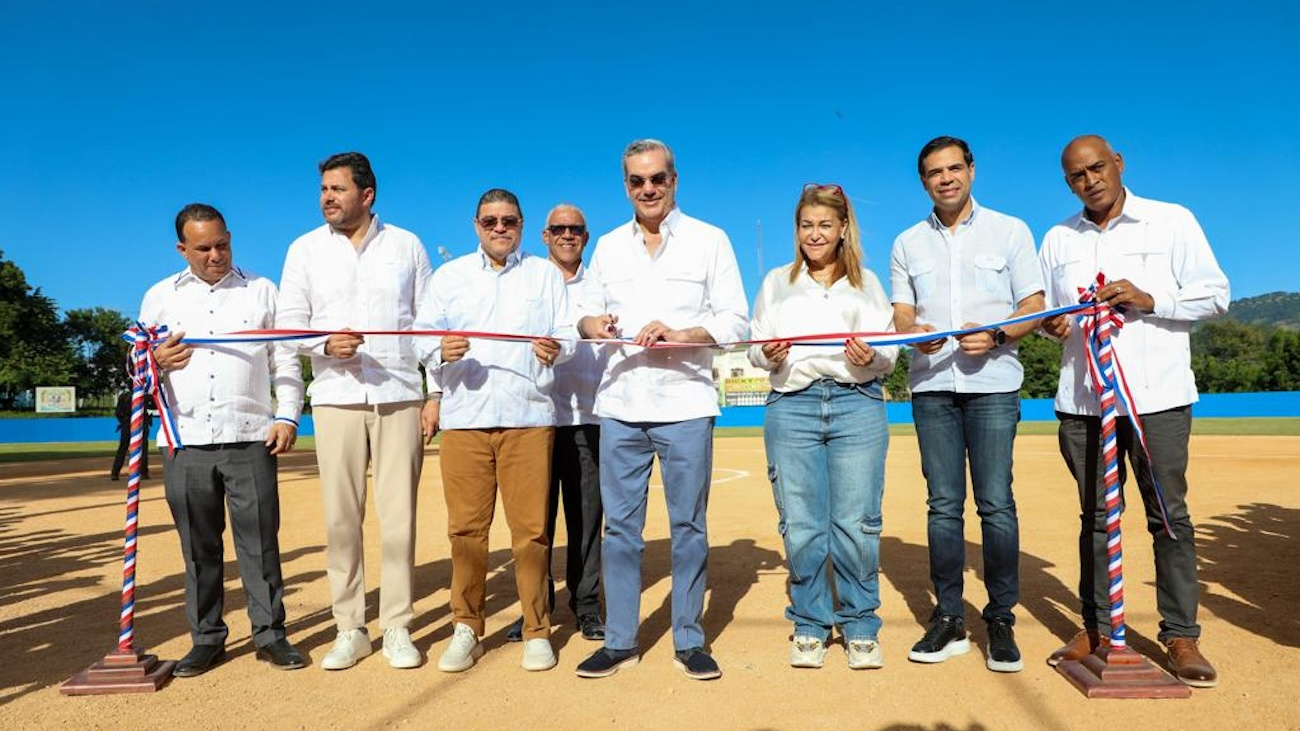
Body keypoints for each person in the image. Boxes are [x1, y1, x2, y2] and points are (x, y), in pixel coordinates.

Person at [1039, 135, 1229, 688]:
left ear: (1118, 164)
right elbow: (1062, 319)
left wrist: (1151, 300)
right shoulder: (1058, 238)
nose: (1089, 180)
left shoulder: (1172, 221)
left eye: (1097, 168)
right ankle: (1096, 628)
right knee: (1096, 519)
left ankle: (1180, 634)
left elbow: (1216, 295)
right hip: (1084, 403)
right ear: (1068, 182)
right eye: (1076, 175)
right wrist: (1057, 328)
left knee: (1168, 516)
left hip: (1158, 399)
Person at [574, 139, 749, 681]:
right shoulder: (606, 247)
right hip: (621, 404)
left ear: (675, 181)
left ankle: (689, 639)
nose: (647, 189)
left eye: (657, 179)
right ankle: (621, 640)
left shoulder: (709, 240)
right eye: (636, 181)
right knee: (620, 531)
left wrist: (682, 334)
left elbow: (736, 323)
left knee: (688, 526)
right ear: (625, 186)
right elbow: (581, 315)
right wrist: (592, 326)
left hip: (686, 403)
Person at [277, 152, 437, 670]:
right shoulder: (303, 250)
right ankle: (350, 627)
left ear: (367, 195)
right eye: (323, 188)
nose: (327, 197)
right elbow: (289, 328)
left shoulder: (407, 245)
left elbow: (430, 326)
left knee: (398, 520)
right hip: (336, 398)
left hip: (398, 395)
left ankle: (396, 626)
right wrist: (325, 344)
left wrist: (435, 394)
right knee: (341, 519)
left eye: (337, 189)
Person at [890, 136, 1045, 673]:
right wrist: (915, 335)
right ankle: (949, 617)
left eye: (955, 168)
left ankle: (1000, 618)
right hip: (932, 386)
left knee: (996, 503)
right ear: (924, 181)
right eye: (935, 172)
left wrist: (1000, 335)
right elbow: (901, 314)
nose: (946, 178)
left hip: (994, 385)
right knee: (943, 505)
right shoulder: (907, 242)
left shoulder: (1011, 230)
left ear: (972, 171)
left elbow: (1034, 305)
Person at [140, 203, 305, 676]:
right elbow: (136, 365)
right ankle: (207, 638)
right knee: (198, 548)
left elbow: (285, 361)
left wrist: (288, 417)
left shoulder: (262, 290)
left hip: (251, 437)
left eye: (223, 244)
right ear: (181, 248)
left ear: (231, 237)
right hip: (184, 440)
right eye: (203, 248)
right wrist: (155, 361)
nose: (216, 254)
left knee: (259, 543)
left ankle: (271, 634)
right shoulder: (159, 297)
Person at [414, 189, 573, 673]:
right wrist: (441, 350)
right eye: (490, 221)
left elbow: (565, 332)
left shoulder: (544, 274)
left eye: (509, 220)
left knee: (531, 533)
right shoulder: (450, 277)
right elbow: (421, 336)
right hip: (466, 418)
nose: (499, 228)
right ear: (476, 225)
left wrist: (556, 349)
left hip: (529, 418)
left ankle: (536, 629)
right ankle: (467, 626)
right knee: (466, 531)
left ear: (522, 225)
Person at [748, 184, 896, 670]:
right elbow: (754, 346)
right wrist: (765, 354)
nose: (815, 234)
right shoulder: (776, 281)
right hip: (793, 405)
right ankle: (810, 623)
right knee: (803, 523)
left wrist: (872, 357)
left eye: (825, 225)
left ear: (842, 230)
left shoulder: (868, 283)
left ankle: (859, 624)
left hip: (858, 404)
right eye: (806, 225)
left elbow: (890, 353)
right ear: (797, 230)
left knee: (856, 521)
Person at [505, 204, 607, 643]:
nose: (568, 235)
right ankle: (535, 606)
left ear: (585, 236)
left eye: (576, 229)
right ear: (544, 236)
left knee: (586, 519)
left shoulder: (601, 284)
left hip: (587, 415)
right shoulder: (524, 281)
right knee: (534, 522)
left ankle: (586, 606)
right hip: (533, 416)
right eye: (559, 229)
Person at [111, 388, 151, 480]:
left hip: (127, 424)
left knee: (122, 448)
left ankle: (115, 473)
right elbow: (153, 405)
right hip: (141, 423)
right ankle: (143, 472)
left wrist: (123, 421)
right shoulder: (143, 396)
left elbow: (118, 412)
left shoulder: (124, 396)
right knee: (143, 448)